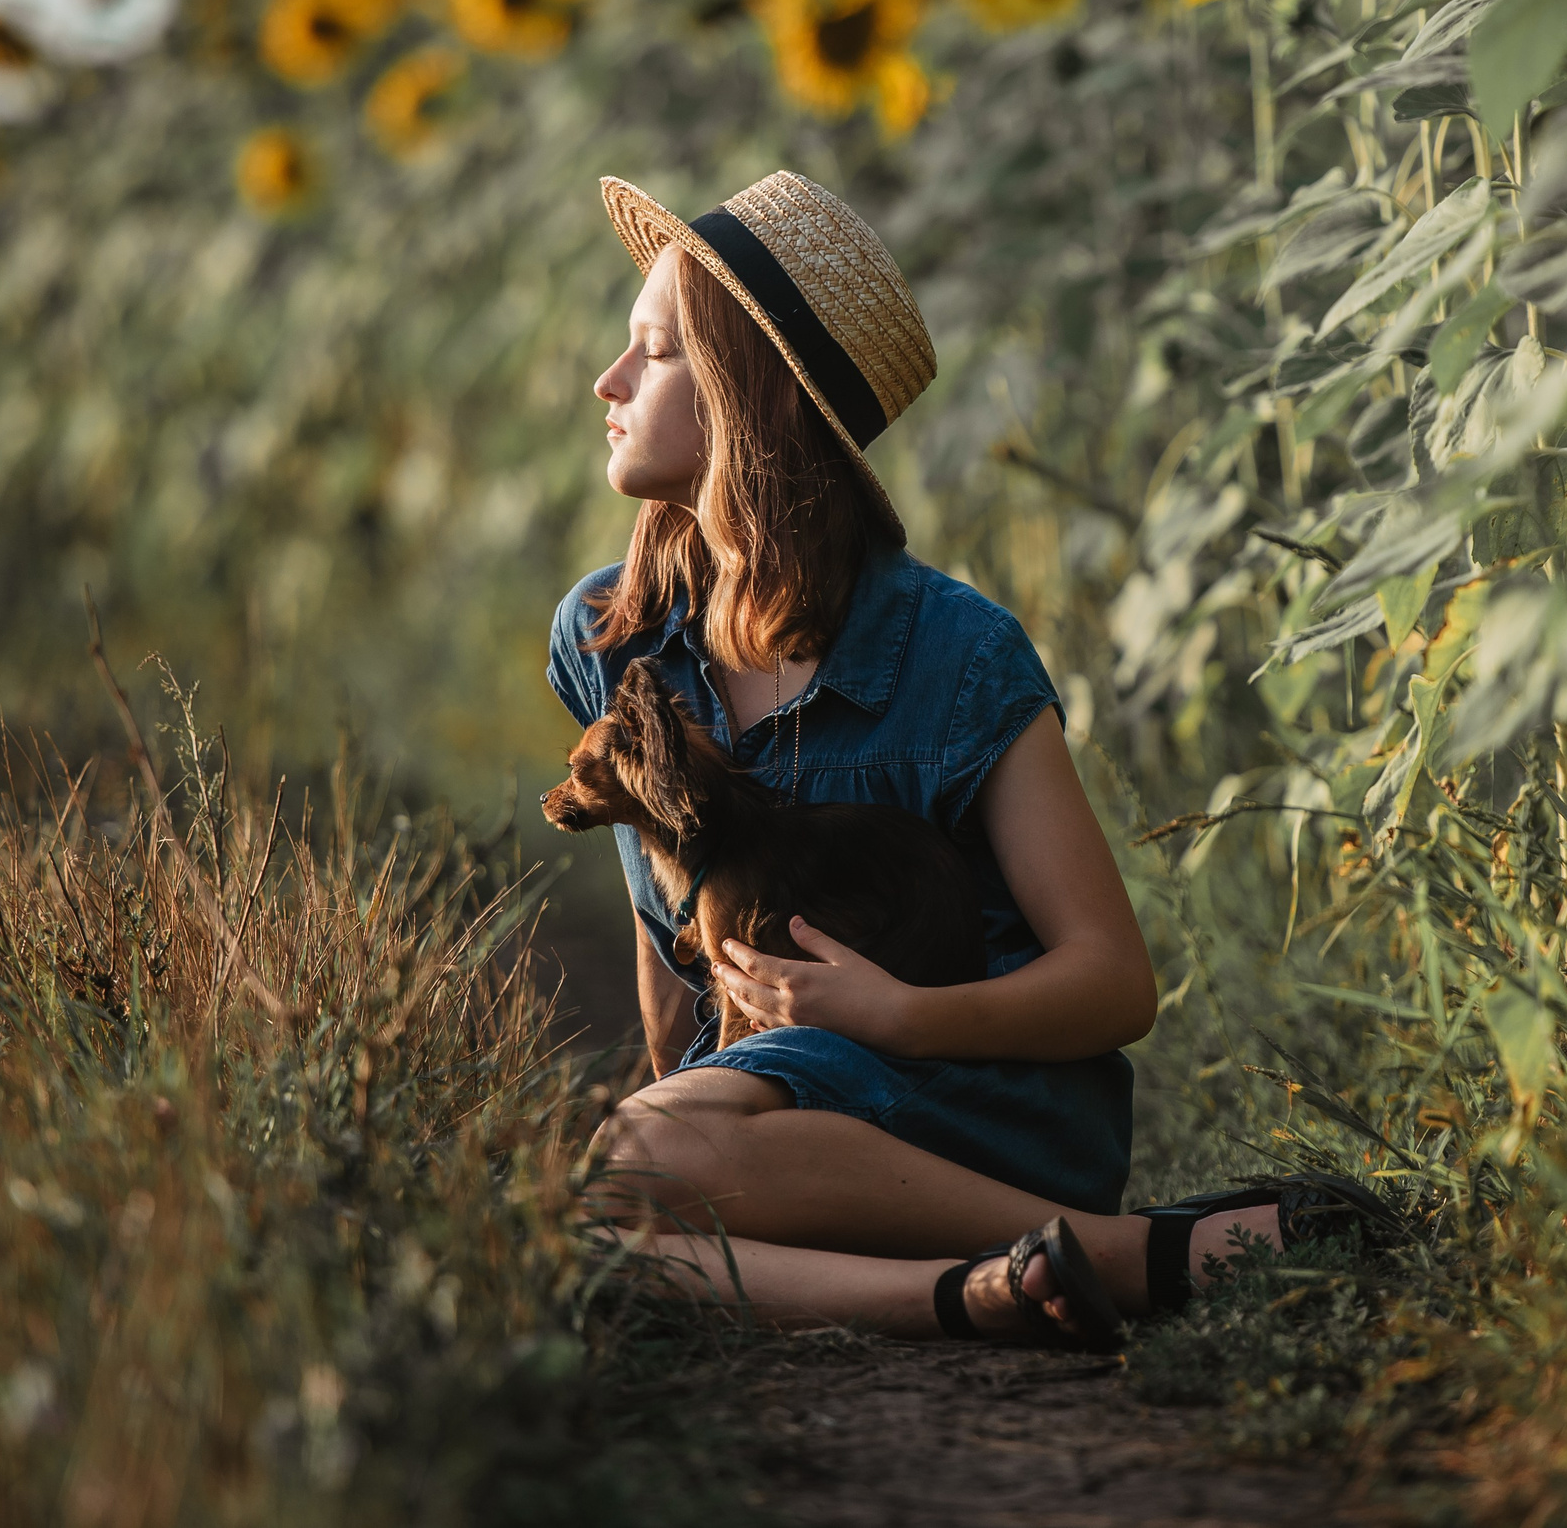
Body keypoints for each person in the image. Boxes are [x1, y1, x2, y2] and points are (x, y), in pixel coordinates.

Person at [548, 172, 1383, 1347]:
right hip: (764, 1113)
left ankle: (1087, 1242)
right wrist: (696, 1101)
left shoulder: (953, 651)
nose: (610, 382)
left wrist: (892, 1014)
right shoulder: (611, 634)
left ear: (755, 400)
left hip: (970, 1107)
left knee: (628, 1173)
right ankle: (1016, 1285)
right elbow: (664, 931)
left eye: (657, 352)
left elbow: (1113, 982)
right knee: (596, 1209)